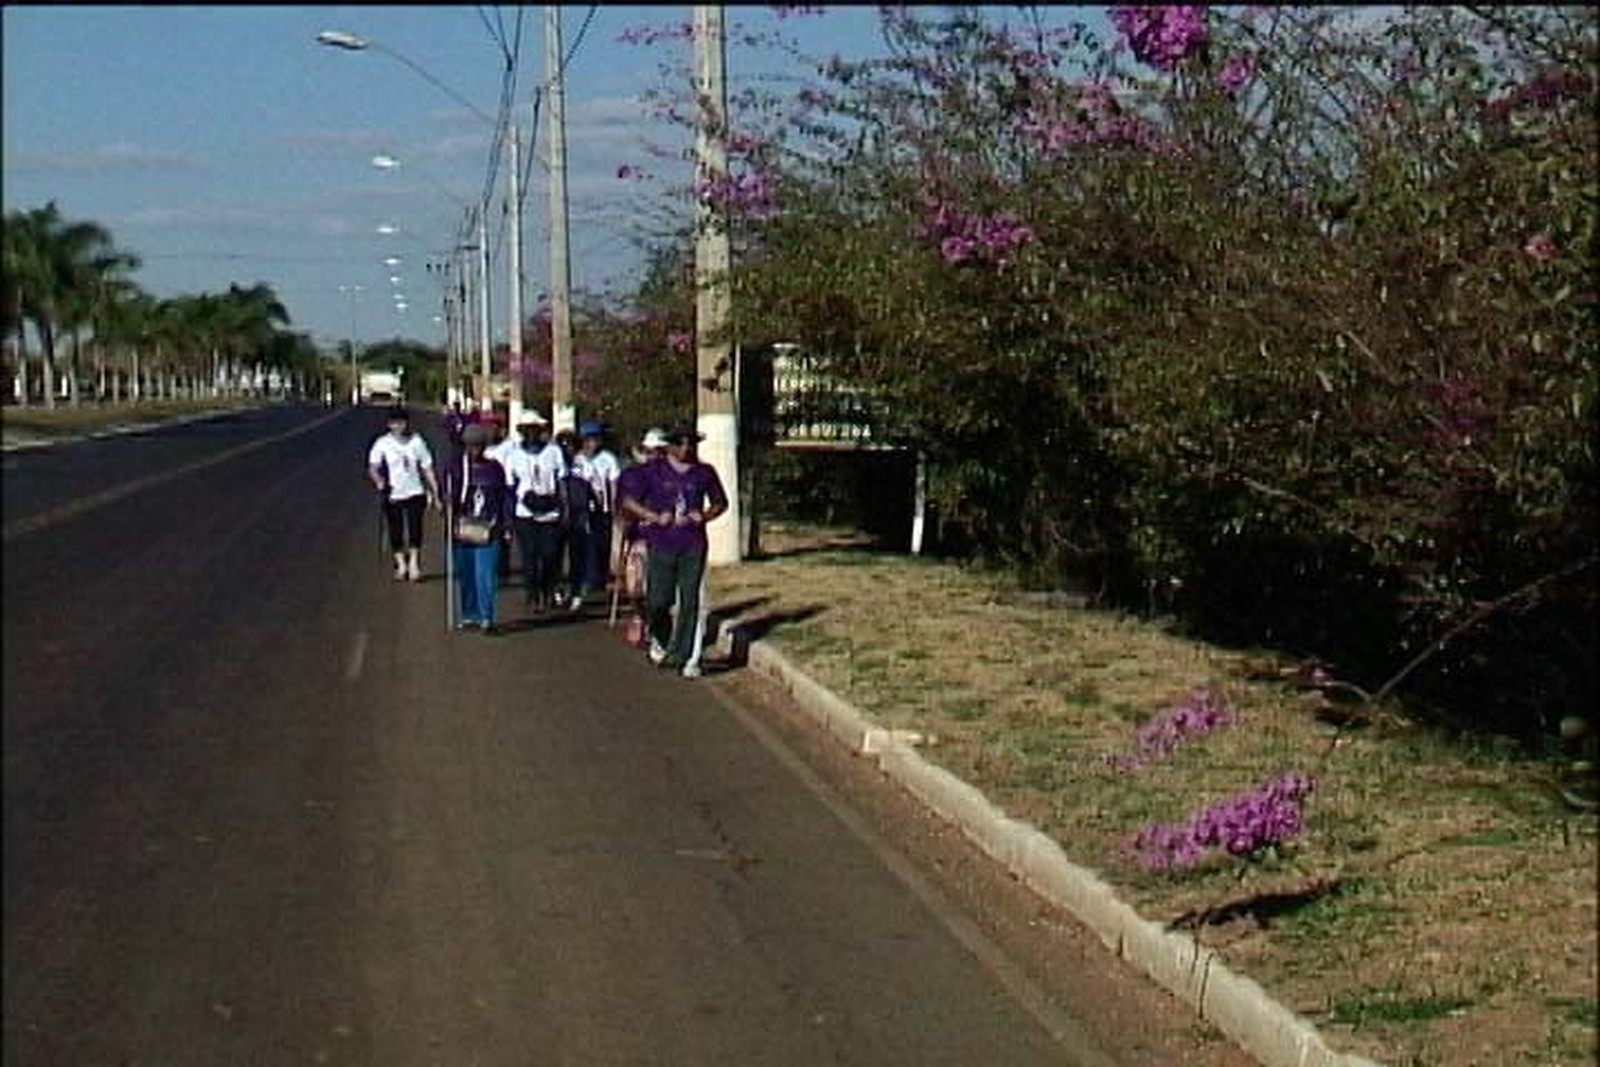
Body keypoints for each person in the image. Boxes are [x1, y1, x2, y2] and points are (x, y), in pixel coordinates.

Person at [618, 422, 728, 678]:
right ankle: (660, 636)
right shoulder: (652, 472)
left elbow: (721, 503)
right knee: (659, 600)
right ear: (669, 445)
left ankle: (685, 656)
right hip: (661, 543)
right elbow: (628, 501)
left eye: (690, 443)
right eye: (679, 443)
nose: (685, 448)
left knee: (690, 599)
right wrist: (653, 516)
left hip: (693, 544)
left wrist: (704, 515)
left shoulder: (704, 473)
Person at [444, 423, 513, 633]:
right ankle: (469, 614)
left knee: (485, 574)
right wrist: (446, 502)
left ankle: (486, 617)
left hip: (488, 529)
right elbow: (446, 494)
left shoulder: (495, 469)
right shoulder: (456, 468)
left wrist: (505, 524)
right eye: (470, 446)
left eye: (478, 446)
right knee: (466, 573)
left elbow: (504, 498)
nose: (474, 450)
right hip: (463, 527)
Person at [366, 405, 440, 582]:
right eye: (395, 423)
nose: (399, 426)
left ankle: (414, 562)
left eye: (402, 422)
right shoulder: (383, 443)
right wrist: (379, 481)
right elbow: (373, 467)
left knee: (415, 528)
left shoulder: (417, 441)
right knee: (395, 529)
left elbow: (427, 467)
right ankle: (401, 563)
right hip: (393, 493)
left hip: (415, 491)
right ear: (389, 425)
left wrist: (435, 492)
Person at [503, 410, 567, 612]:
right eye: (528, 430)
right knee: (529, 556)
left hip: (550, 510)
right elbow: (510, 487)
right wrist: (509, 516)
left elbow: (561, 480)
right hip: (525, 513)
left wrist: (564, 507)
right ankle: (533, 593)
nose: (532, 434)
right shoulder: (513, 456)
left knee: (549, 554)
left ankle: (548, 589)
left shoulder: (554, 452)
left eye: (536, 430)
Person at [611, 427, 667, 645]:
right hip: (639, 537)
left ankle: (656, 627)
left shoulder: (672, 476)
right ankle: (639, 615)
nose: (656, 457)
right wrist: (625, 518)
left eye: (660, 452)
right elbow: (622, 504)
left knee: (659, 588)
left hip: (664, 539)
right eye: (651, 451)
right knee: (635, 587)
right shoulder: (632, 475)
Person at [572, 421, 622, 607]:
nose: (592, 443)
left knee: (603, 545)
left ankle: (600, 578)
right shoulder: (577, 460)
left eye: (595, 439)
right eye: (588, 439)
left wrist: (615, 508)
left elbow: (614, 483)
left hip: (604, 510)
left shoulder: (608, 459)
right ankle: (586, 581)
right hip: (583, 511)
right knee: (586, 546)